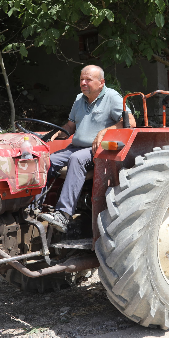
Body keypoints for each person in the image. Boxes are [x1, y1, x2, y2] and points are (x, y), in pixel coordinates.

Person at [39, 65, 135, 233]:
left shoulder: (111, 97)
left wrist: (104, 132)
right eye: (81, 79)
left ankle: (63, 215)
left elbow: (130, 123)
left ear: (101, 82)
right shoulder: (79, 99)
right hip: (76, 146)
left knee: (77, 159)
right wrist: (55, 133)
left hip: (98, 150)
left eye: (88, 80)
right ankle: (34, 205)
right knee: (46, 161)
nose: (83, 83)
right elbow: (70, 126)